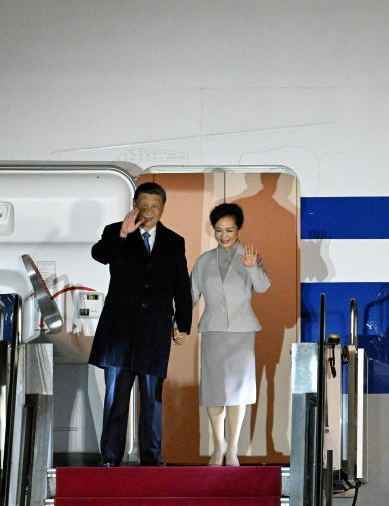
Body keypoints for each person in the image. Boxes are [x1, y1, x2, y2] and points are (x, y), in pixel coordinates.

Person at [89, 182, 192, 466]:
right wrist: (123, 234)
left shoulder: (174, 241)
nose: (148, 211)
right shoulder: (116, 231)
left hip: (154, 332)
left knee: (152, 399)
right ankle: (110, 458)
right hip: (119, 332)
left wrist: (182, 323)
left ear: (162, 208)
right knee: (116, 399)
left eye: (154, 206)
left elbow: (181, 284)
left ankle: (151, 458)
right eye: (143, 205)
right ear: (135, 204)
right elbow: (99, 255)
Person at [190, 202, 271, 466]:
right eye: (219, 230)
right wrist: (174, 323)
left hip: (242, 332)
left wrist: (250, 266)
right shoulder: (203, 261)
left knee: (239, 391)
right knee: (214, 391)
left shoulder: (250, 256)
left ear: (239, 229)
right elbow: (190, 296)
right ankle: (218, 444)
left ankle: (233, 448)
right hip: (213, 330)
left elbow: (263, 287)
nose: (224, 236)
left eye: (230, 230)